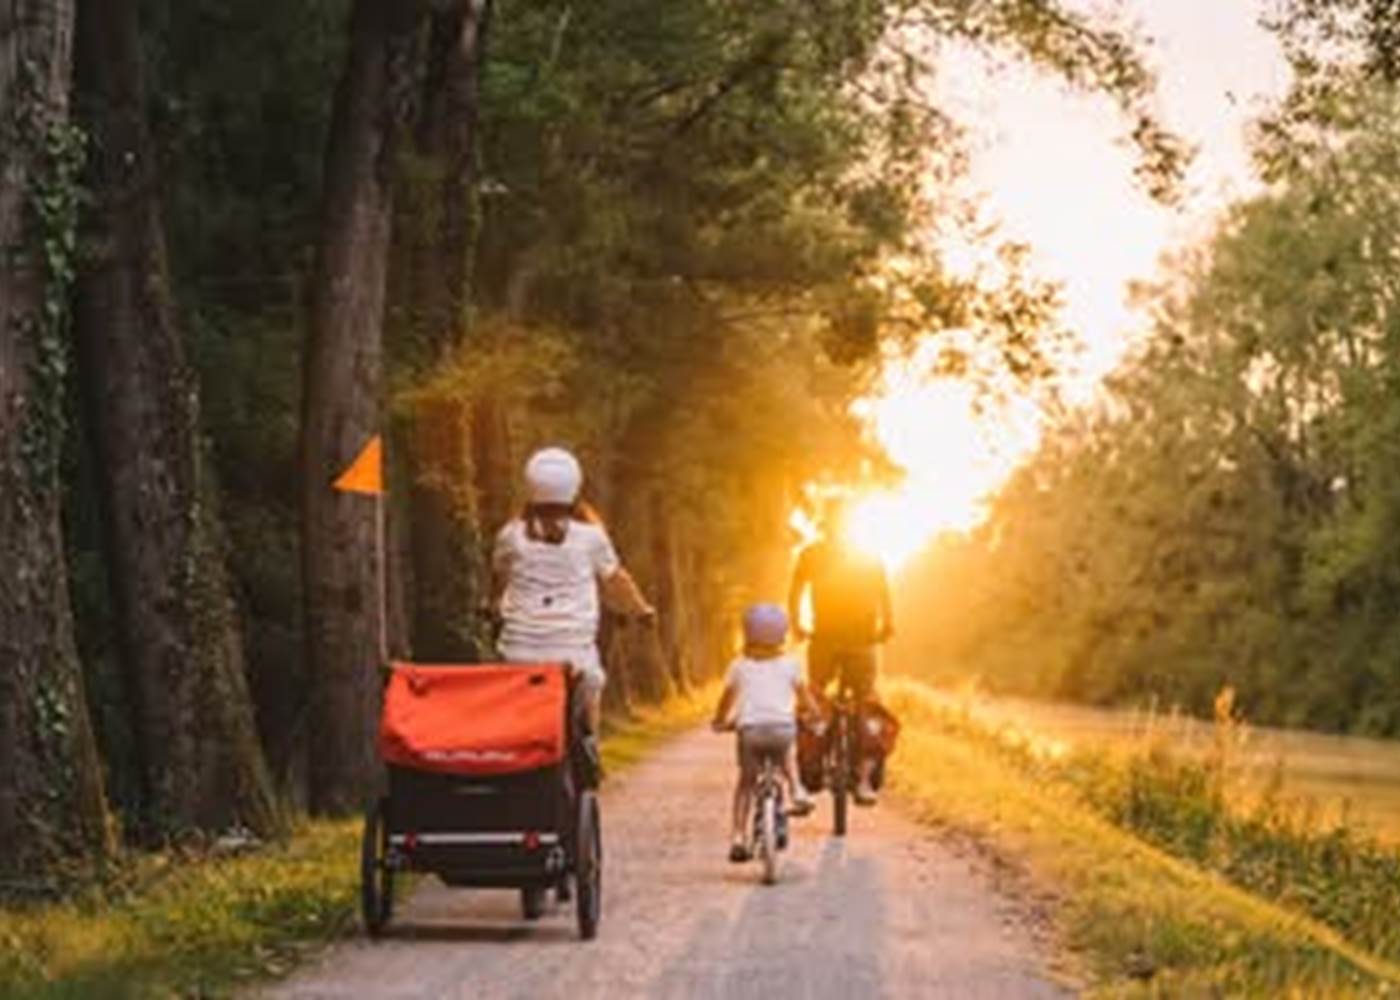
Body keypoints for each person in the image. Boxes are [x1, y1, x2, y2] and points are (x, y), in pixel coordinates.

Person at [493, 447, 654, 733]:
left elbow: (500, 578)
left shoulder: (511, 535)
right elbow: (616, 580)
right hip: (573, 658)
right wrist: (642, 610)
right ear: (574, 487)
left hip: (517, 656)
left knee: (512, 706)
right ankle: (589, 746)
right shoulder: (591, 537)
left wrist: (493, 607)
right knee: (591, 684)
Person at [788, 496, 893, 805]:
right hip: (855, 639)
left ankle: (814, 769)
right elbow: (884, 594)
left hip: (832, 639)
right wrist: (887, 624)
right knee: (865, 704)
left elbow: (795, 592)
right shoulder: (866, 555)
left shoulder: (813, 553)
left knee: (818, 701)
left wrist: (796, 624)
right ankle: (862, 781)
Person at [711, 603, 819, 863]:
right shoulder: (791, 665)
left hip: (750, 732)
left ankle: (738, 837)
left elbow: (726, 701)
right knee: (788, 753)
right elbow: (807, 700)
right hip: (782, 729)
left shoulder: (739, 666)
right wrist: (814, 715)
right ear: (782, 635)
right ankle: (796, 789)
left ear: (747, 634)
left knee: (746, 784)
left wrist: (720, 721)